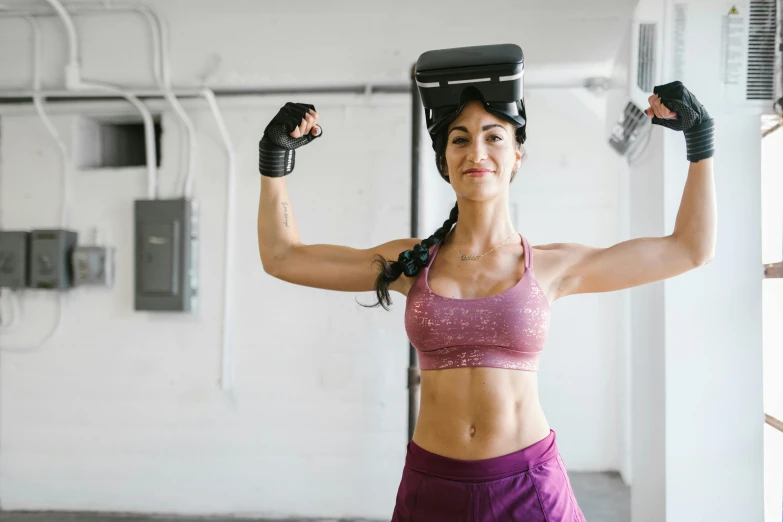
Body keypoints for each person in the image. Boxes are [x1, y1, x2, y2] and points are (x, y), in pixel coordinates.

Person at [255, 68, 716, 522]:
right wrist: (274, 161)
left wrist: (701, 142)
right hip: (432, 485)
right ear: (445, 161)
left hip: (528, 486)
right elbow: (285, 258)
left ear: (517, 155)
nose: (477, 150)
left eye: (494, 136)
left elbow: (689, 249)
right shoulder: (411, 262)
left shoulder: (554, 265)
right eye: (459, 139)